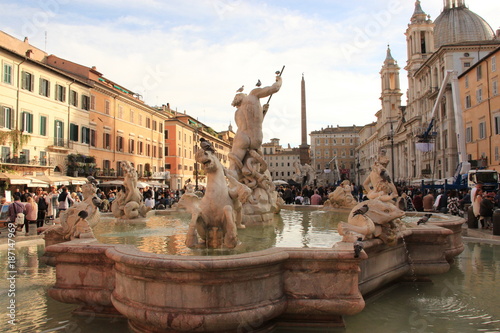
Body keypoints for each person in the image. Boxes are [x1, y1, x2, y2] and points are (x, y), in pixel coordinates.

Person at [229, 74, 282, 173]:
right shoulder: (253, 94)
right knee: (255, 168)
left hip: (242, 137)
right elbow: (274, 88)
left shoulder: (237, 113)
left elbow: (245, 126)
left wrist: (263, 112)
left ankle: (234, 186)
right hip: (256, 139)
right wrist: (279, 80)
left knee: (234, 168)